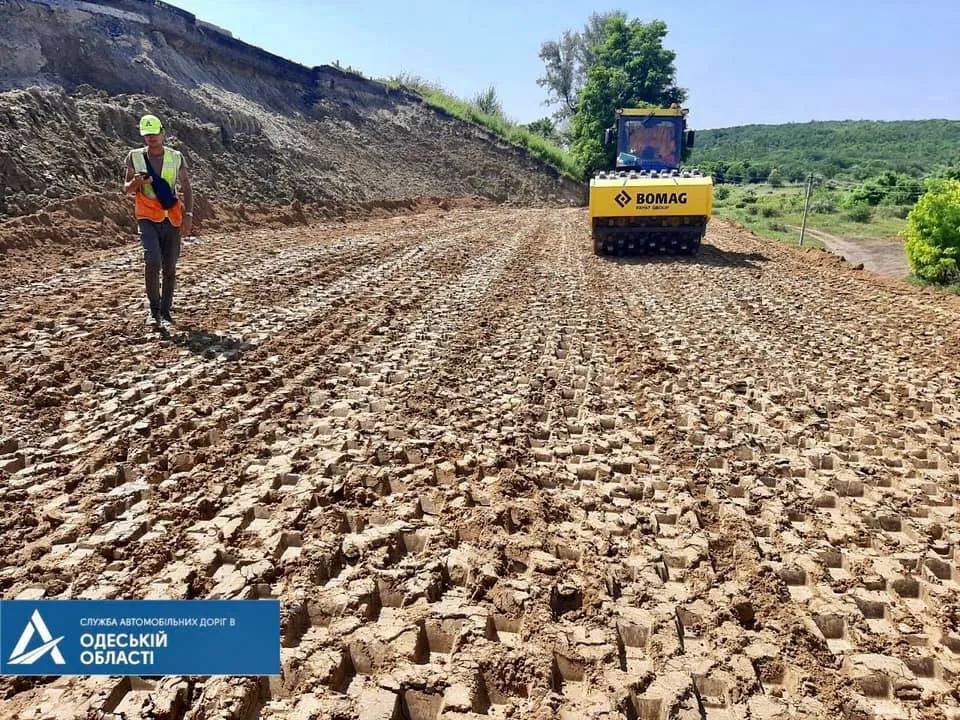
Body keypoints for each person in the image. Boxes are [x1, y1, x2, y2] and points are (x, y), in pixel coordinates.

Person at [123, 114, 193, 325]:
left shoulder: (176, 156)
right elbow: (126, 189)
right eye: (147, 135)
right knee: (153, 261)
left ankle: (166, 309)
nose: (151, 138)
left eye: (154, 134)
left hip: (171, 217)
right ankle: (154, 311)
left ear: (163, 133)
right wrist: (135, 183)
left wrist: (188, 215)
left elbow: (187, 188)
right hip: (146, 217)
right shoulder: (134, 156)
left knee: (170, 266)